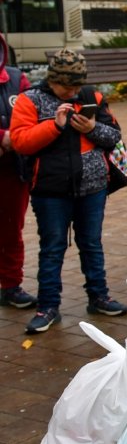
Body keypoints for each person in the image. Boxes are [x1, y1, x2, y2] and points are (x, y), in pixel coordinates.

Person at [9, 48, 127, 334]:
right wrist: (54, 126)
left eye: (77, 86)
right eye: (67, 87)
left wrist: (91, 128)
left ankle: (99, 297)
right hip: (50, 190)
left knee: (92, 244)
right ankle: (48, 307)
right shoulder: (30, 100)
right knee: (52, 248)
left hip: (93, 187)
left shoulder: (91, 96)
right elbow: (21, 142)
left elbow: (114, 136)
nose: (73, 92)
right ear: (53, 80)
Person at [0, 33, 37, 310]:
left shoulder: (16, 78)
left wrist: (17, 137)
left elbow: (31, 113)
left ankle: (11, 286)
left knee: (11, 230)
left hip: (13, 171)